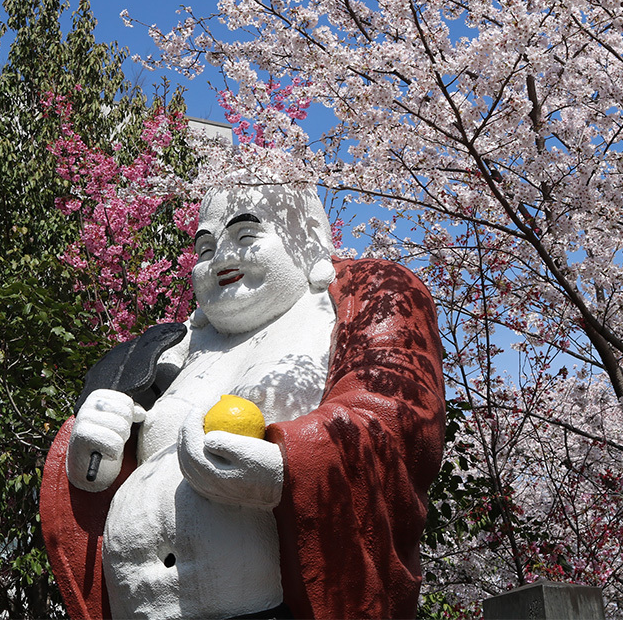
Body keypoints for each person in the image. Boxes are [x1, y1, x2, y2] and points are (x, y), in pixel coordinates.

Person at [40, 173, 445, 619]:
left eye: (246, 234)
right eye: (206, 248)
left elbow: (397, 421)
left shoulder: (346, 308)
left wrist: (287, 468)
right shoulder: (171, 351)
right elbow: (109, 473)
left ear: (308, 241)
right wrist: (91, 456)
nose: (221, 260)